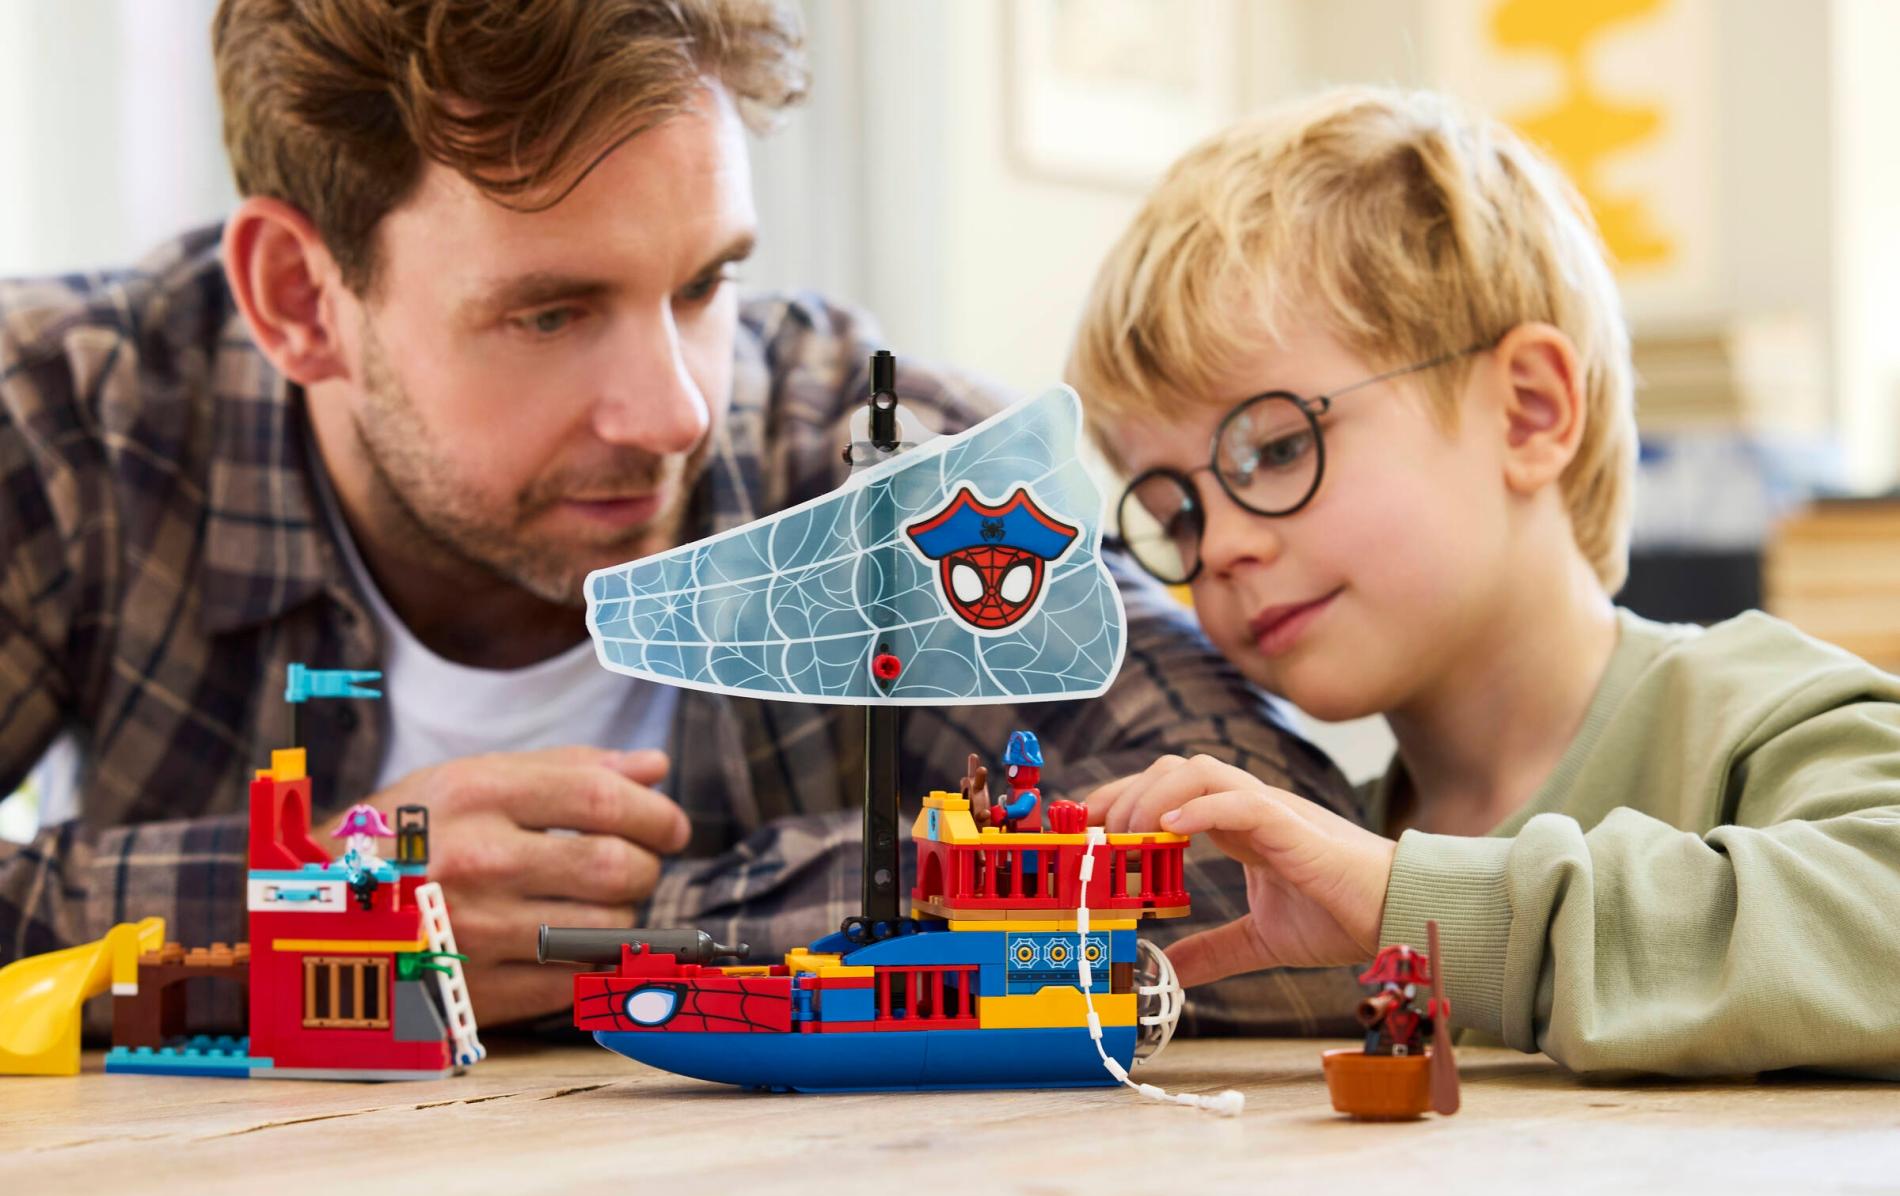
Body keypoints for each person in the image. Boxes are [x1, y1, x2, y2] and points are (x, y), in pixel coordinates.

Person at [0, 0, 1358, 1034]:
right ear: (301, 298)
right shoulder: (70, 417)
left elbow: (1289, 877)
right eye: (551, 313)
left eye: (704, 284)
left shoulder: (877, 460)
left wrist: (607, 922)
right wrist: (309, 910)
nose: (674, 410)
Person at [1067, 85, 1900, 1077]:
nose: (1218, 550)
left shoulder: (1755, 716)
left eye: (1277, 448)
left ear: (1528, 413)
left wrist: (1415, 905)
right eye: (1177, 515)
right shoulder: (1320, 857)